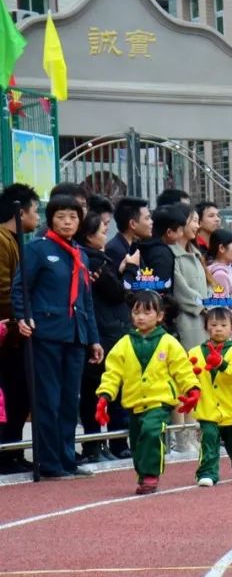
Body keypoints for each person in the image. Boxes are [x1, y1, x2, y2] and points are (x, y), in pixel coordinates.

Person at [13, 195, 104, 479]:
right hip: (47, 334)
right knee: (48, 400)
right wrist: (23, 317)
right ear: (50, 218)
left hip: (75, 335)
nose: (67, 222)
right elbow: (20, 289)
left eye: (73, 217)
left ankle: (67, 458)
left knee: (69, 401)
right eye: (61, 216)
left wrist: (93, 338)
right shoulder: (39, 249)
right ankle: (49, 462)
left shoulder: (81, 253)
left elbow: (86, 301)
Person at [95, 290, 199, 493]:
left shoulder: (168, 342)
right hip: (134, 403)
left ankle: (151, 475)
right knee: (137, 441)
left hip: (159, 401)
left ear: (160, 316)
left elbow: (182, 368)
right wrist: (105, 395)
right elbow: (113, 372)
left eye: (147, 313)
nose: (140, 317)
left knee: (152, 433)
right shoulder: (125, 343)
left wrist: (192, 388)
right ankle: (143, 474)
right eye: (136, 313)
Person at [76, 211, 131, 464]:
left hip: (108, 330)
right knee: (100, 391)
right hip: (104, 332)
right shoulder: (93, 260)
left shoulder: (98, 259)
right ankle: (100, 445)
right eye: (101, 231)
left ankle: (105, 444)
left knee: (106, 391)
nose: (105, 236)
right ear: (88, 236)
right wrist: (125, 269)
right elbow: (117, 293)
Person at [0, 184, 41, 474]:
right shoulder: (2, 241)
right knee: (11, 394)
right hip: (8, 333)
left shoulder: (15, 240)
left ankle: (13, 451)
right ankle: (6, 453)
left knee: (20, 394)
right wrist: (24, 314)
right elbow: (4, 290)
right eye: (35, 211)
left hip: (16, 331)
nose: (37, 217)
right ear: (20, 211)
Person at [188, 307, 232, 485]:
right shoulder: (195, 352)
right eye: (213, 324)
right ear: (206, 327)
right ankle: (207, 473)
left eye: (223, 325)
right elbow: (187, 374)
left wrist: (222, 364)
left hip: (231, 407)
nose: (218, 328)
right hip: (207, 407)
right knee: (208, 438)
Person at [170, 204, 210, 351]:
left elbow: (208, 284)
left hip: (205, 320)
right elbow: (181, 289)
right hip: (187, 320)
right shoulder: (171, 254)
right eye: (193, 220)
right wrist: (203, 306)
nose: (197, 226)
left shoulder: (196, 254)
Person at [206, 229, 232, 342]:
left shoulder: (227, 269)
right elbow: (222, 312)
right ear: (221, 248)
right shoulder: (220, 275)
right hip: (227, 337)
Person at [106, 197, 151, 277]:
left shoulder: (133, 247)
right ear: (132, 224)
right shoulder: (114, 250)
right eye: (147, 218)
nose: (151, 222)